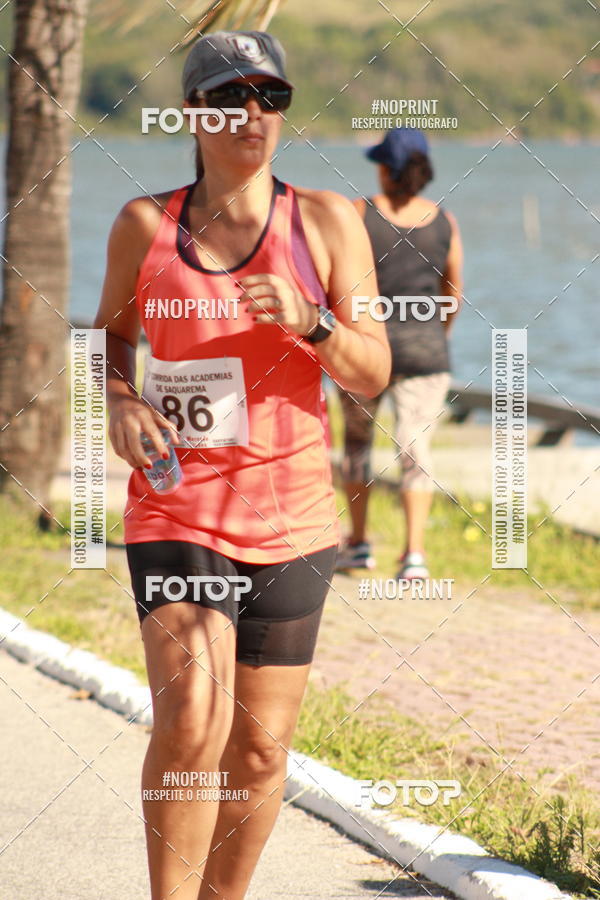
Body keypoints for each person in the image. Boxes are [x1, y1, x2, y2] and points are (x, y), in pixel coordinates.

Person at [93, 30, 390, 900]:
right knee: (192, 716)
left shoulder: (331, 223)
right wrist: (117, 399)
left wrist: (314, 321)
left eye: (271, 97)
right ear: (193, 112)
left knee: (259, 750)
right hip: (177, 508)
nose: (252, 115)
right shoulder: (145, 225)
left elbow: (374, 369)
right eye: (230, 97)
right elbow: (109, 336)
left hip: (292, 519)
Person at [336, 127, 463, 580]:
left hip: (363, 351)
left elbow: (339, 281)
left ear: (387, 169)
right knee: (416, 449)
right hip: (426, 354)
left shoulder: (358, 213)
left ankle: (358, 544)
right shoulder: (445, 221)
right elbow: (453, 293)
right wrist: (435, 336)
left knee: (355, 447)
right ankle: (414, 555)